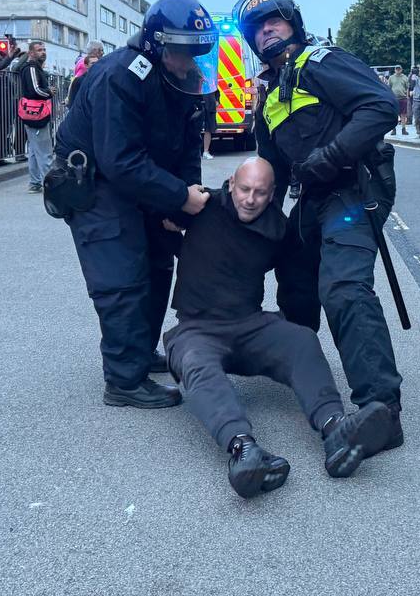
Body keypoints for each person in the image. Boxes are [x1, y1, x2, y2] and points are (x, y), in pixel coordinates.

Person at [164, 157, 394, 498]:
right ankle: (244, 451)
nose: (250, 199)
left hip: (250, 324)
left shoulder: (278, 229)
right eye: (244, 189)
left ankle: (336, 430)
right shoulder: (202, 206)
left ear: (273, 194)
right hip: (197, 329)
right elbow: (159, 216)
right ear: (230, 184)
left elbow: (297, 279)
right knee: (197, 364)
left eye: (260, 192)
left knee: (301, 340)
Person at [237, 0, 404, 451]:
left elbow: (380, 105)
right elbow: (271, 163)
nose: (266, 30)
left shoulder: (320, 60)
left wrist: (330, 157)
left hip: (354, 188)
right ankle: (301, 363)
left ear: (293, 23)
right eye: (257, 28)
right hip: (314, 196)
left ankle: (382, 410)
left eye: (273, 22)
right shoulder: (270, 89)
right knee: (294, 275)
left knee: (343, 288)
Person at [53, 0, 215, 409]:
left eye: (194, 51)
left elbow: (186, 147)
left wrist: (184, 201)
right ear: (157, 45)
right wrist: (178, 195)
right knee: (121, 277)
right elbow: (119, 160)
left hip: (145, 181)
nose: (188, 60)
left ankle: (140, 352)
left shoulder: (181, 79)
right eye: (181, 52)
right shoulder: (120, 77)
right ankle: (124, 381)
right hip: (98, 184)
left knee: (159, 264)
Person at [17, 41, 54, 193]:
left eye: (44, 49)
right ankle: (49, 184)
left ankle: (35, 182)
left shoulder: (33, 67)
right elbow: (35, 90)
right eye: (39, 50)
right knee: (44, 150)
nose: (43, 52)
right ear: (31, 53)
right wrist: (49, 92)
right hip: (37, 114)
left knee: (34, 150)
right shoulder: (31, 67)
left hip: (32, 113)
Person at [387, 65, 409, 136]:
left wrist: (407, 96)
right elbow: (389, 87)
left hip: (403, 98)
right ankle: (393, 129)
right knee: (394, 114)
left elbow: (407, 87)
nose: (398, 70)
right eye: (396, 69)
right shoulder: (391, 77)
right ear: (395, 70)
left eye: (399, 69)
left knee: (403, 114)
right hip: (394, 98)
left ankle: (403, 129)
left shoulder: (405, 77)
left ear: (401, 70)